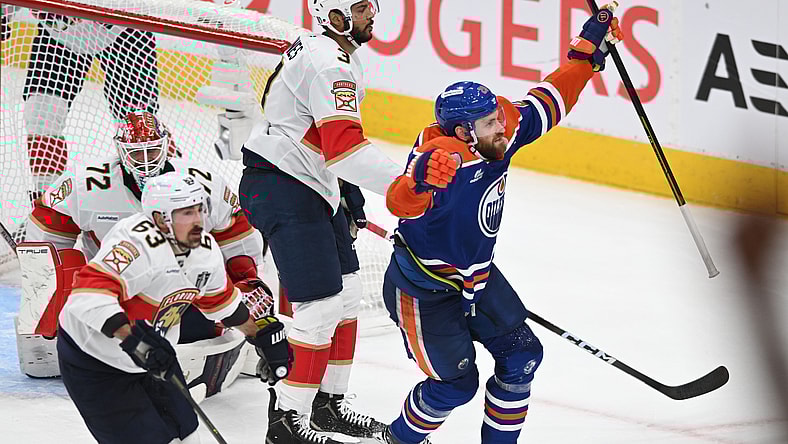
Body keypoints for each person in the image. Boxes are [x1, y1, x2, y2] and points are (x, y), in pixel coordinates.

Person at [374, 5, 624, 444]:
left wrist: (585, 53)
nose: (502, 129)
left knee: (523, 356)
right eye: (491, 123)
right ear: (464, 132)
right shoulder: (439, 159)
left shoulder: (496, 136)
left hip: (478, 279)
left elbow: (549, 99)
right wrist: (416, 181)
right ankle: (397, 440)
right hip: (425, 290)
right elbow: (400, 202)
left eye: (498, 119)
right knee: (455, 386)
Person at [237, 1, 402, 442]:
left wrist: (346, 191)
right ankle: (287, 422)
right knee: (321, 307)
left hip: (310, 186)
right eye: (362, 7)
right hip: (283, 186)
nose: (372, 14)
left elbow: (318, 136)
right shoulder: (330, 63)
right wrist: (405, 183)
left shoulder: (332, 53)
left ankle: (329, 406)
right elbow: (344, 147)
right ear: (333, 13)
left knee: (347, 297)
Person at [18, 110, 265, 380]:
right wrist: (46, 298)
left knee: (225, 293)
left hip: (179, 294)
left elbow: (237, 239)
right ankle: (55, 340)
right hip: (113, 291)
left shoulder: (204, 184)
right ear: (121, 151)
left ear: (166, 146)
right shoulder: (86, 184)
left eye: (152, 151)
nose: (146, 162)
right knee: (56, 265)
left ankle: (227, 330)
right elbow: (45, 235)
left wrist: (246, 283)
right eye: (137, 153)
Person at [57, 172, 291, 444]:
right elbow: (87, 296)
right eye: (186, 213)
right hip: (96, 362)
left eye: (199, 210)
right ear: (160, 219)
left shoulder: (205, 250)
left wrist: (258, 334)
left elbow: (222, 304)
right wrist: (137, 343)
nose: (198, 221)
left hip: (156, 358)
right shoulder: (134, 244)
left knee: (190, 435)